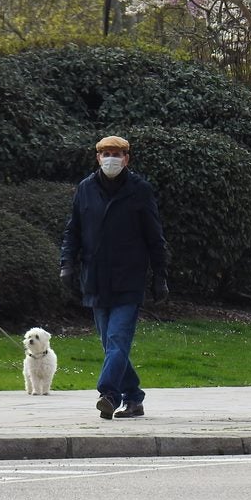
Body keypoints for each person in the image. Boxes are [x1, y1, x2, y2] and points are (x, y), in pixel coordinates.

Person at [60, 135, 169, 420]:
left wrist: (160, 275)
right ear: (97, 157)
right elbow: (74, 230)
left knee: (117, 340)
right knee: (110, 345)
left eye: (117, 154)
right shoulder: (85, 189)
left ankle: (108, 393)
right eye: (106, 153)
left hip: (128, 280)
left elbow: (154, 236)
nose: (111, 158)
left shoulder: (139, 190)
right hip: (95, 279)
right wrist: (67, 264)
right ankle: (134, 398)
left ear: (126, 158)